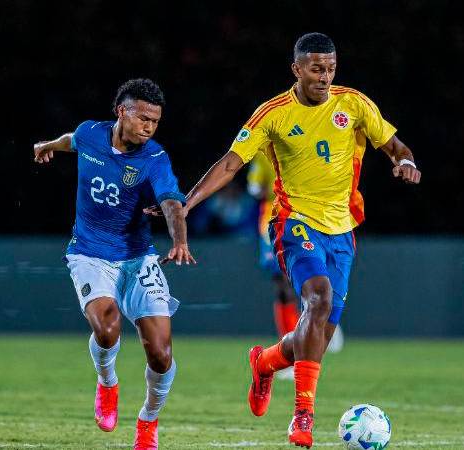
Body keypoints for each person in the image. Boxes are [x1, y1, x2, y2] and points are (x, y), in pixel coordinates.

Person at [175, 32, 421, 447]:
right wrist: (186, 203)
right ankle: (302, 417)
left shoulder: (354, 104)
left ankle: (265, 362)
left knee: (317, 336)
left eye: (330, 68)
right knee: (318, 299)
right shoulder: (273, 114)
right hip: (294, 222)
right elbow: (231, 163)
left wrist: (407, 161)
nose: (324, 76)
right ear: (297, 69)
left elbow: (394, 145)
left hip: (342, 229)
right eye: (315, 68)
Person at [31, 78, 194, 450]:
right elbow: (71, 139)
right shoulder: (92, 133)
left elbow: (171, 202)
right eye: (143, 118)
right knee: (107, 328)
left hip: (138, 258)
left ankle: (148, 422)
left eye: (156, 121)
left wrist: (179, 240)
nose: (149, 127)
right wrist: (46, 146)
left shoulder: (154, 158)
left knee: (161, 353)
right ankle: (107, 383)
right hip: (89, 253)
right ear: (122, 111)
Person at [246, 156, 342, 382]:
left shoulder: (301, 147)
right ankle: (292, 341)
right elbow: (254, 186)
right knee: (281, 285)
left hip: (302, 219)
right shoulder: (263, 152)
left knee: (298, 281)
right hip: (272, 219)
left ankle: (320, 322)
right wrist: (263, 188)